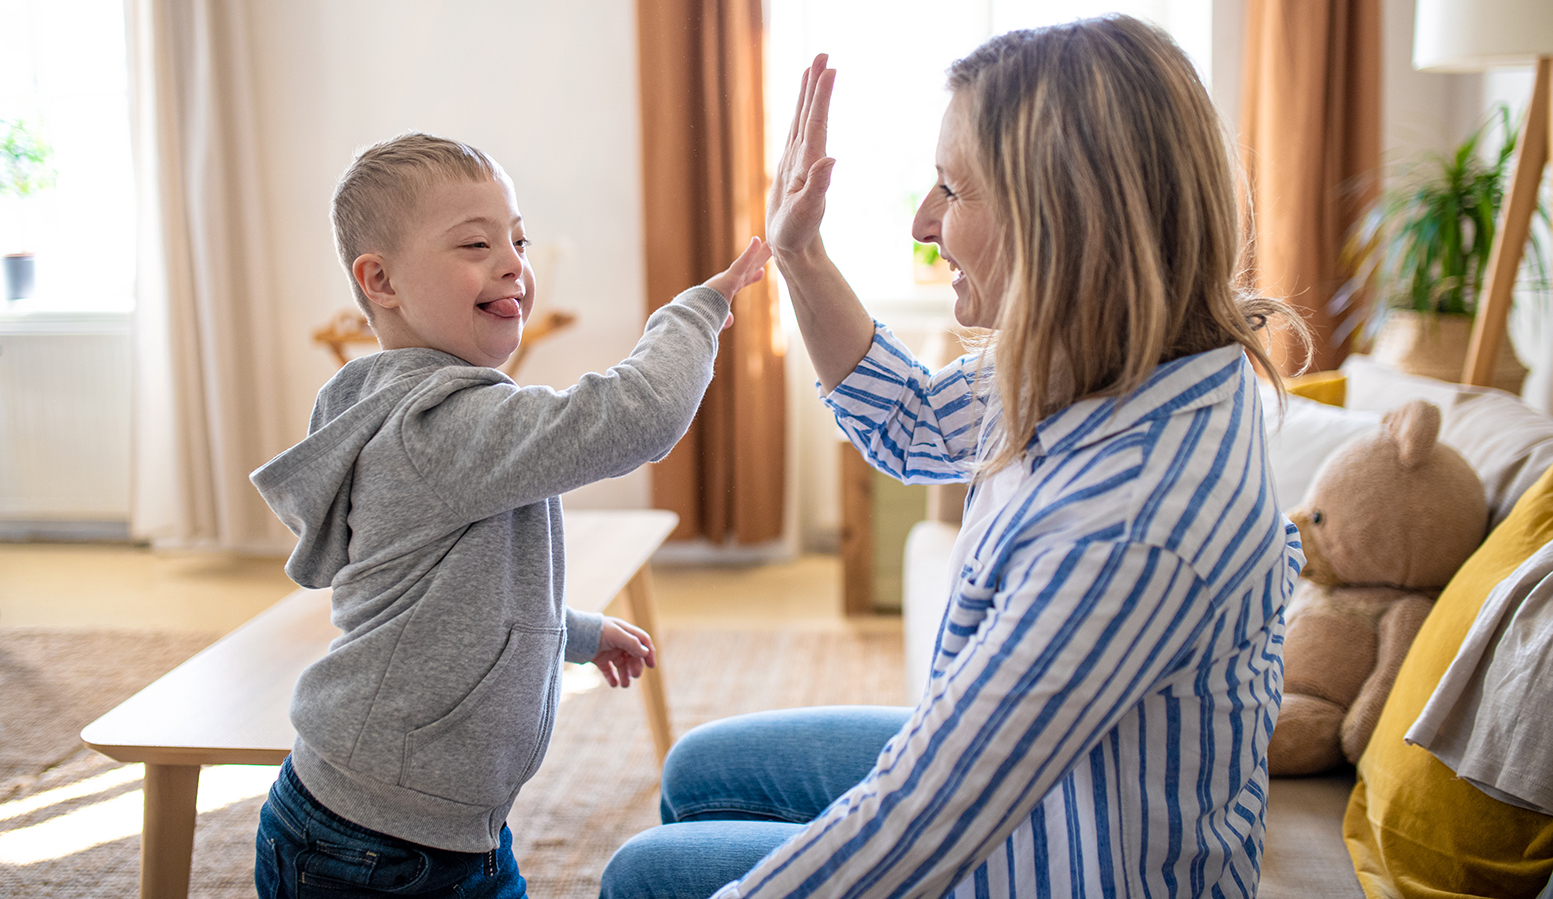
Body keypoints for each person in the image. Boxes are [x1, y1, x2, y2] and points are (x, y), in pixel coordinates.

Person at [602, 15, 1309, 899]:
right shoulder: (1119, 357)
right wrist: (798, 253)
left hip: (1063, 869)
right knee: (699, 770)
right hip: (1040, 801)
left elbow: (919, 829)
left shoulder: (1131, 522)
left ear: (1064, 213)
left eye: (952, 190)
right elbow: (912, 425)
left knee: (645, 876)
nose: (924, 223)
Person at [249, 132, 770, 899]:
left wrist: (579, 630)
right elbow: (634, 416)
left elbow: (458, 594)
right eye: (474, 243)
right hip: (373, 848)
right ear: (380, 280)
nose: (512, 263)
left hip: (434, 827)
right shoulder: (434, 424)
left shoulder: (419, 409)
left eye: (516, 238)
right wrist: (696, 313)